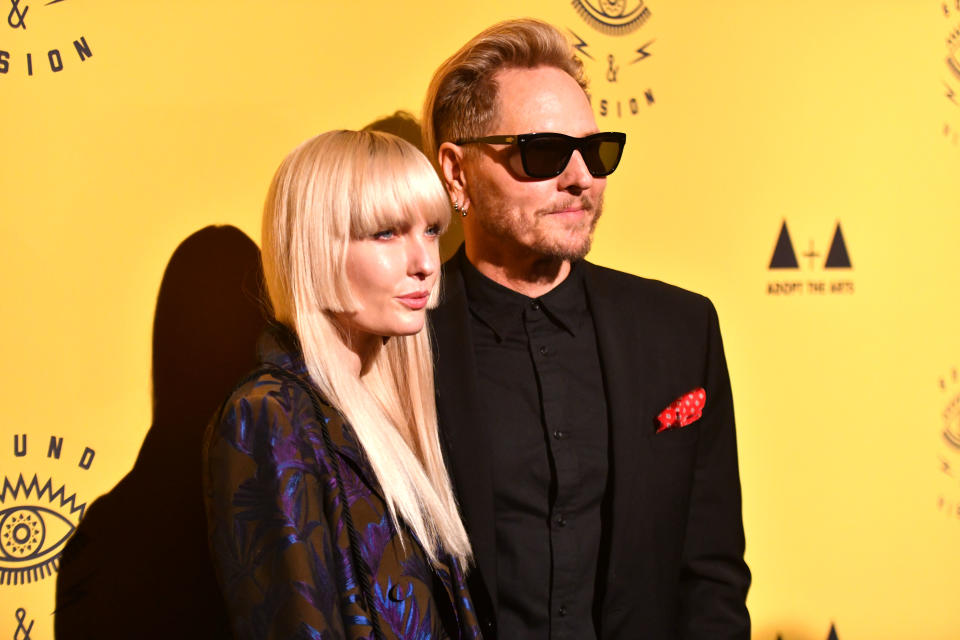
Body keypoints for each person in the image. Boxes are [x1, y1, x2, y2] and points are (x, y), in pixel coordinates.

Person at [422, 18, 751, 639]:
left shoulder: (681, 331)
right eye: (542, 152)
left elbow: (711, 578)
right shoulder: (400, 342)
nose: (581, 178)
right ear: (457, 171)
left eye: (596, 152)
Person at [203, 130, 481, 640]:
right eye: (386, 233)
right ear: (314, 247)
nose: (424, 263)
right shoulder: (270, 415)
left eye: (431, 231)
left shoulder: (385, 407)